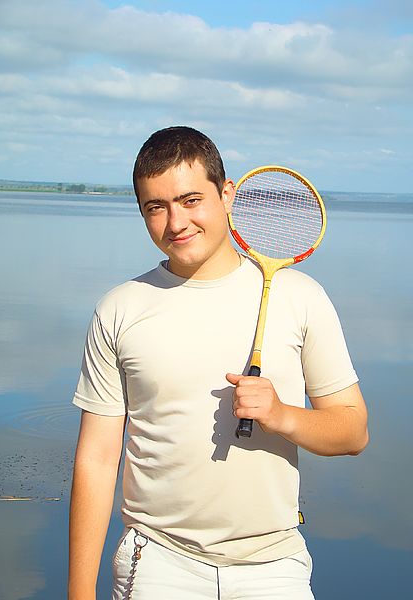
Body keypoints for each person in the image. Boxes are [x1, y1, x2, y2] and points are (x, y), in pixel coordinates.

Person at [68, 125, 369, 600]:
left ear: (227, 195)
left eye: (190, 200)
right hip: (156, 562)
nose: (175, 223)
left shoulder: (301, 297)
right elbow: (97, 459)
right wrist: (79, 594)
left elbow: (353, 432)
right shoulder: (120, 307)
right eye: (155, 207)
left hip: (275, 564)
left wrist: (282, 415)